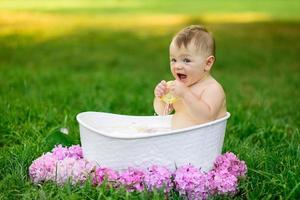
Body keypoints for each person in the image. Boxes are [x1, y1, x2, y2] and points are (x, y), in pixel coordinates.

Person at [153, 25, 227, 129]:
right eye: (173, 60)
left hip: (204, 141)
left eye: (186, 60)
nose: (177, 66)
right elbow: (162, 113)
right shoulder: (178, 87)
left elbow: (207, 119)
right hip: (181, 140)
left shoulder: (212, 89)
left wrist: (186, 94)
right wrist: (160, 98)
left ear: (208, 63)